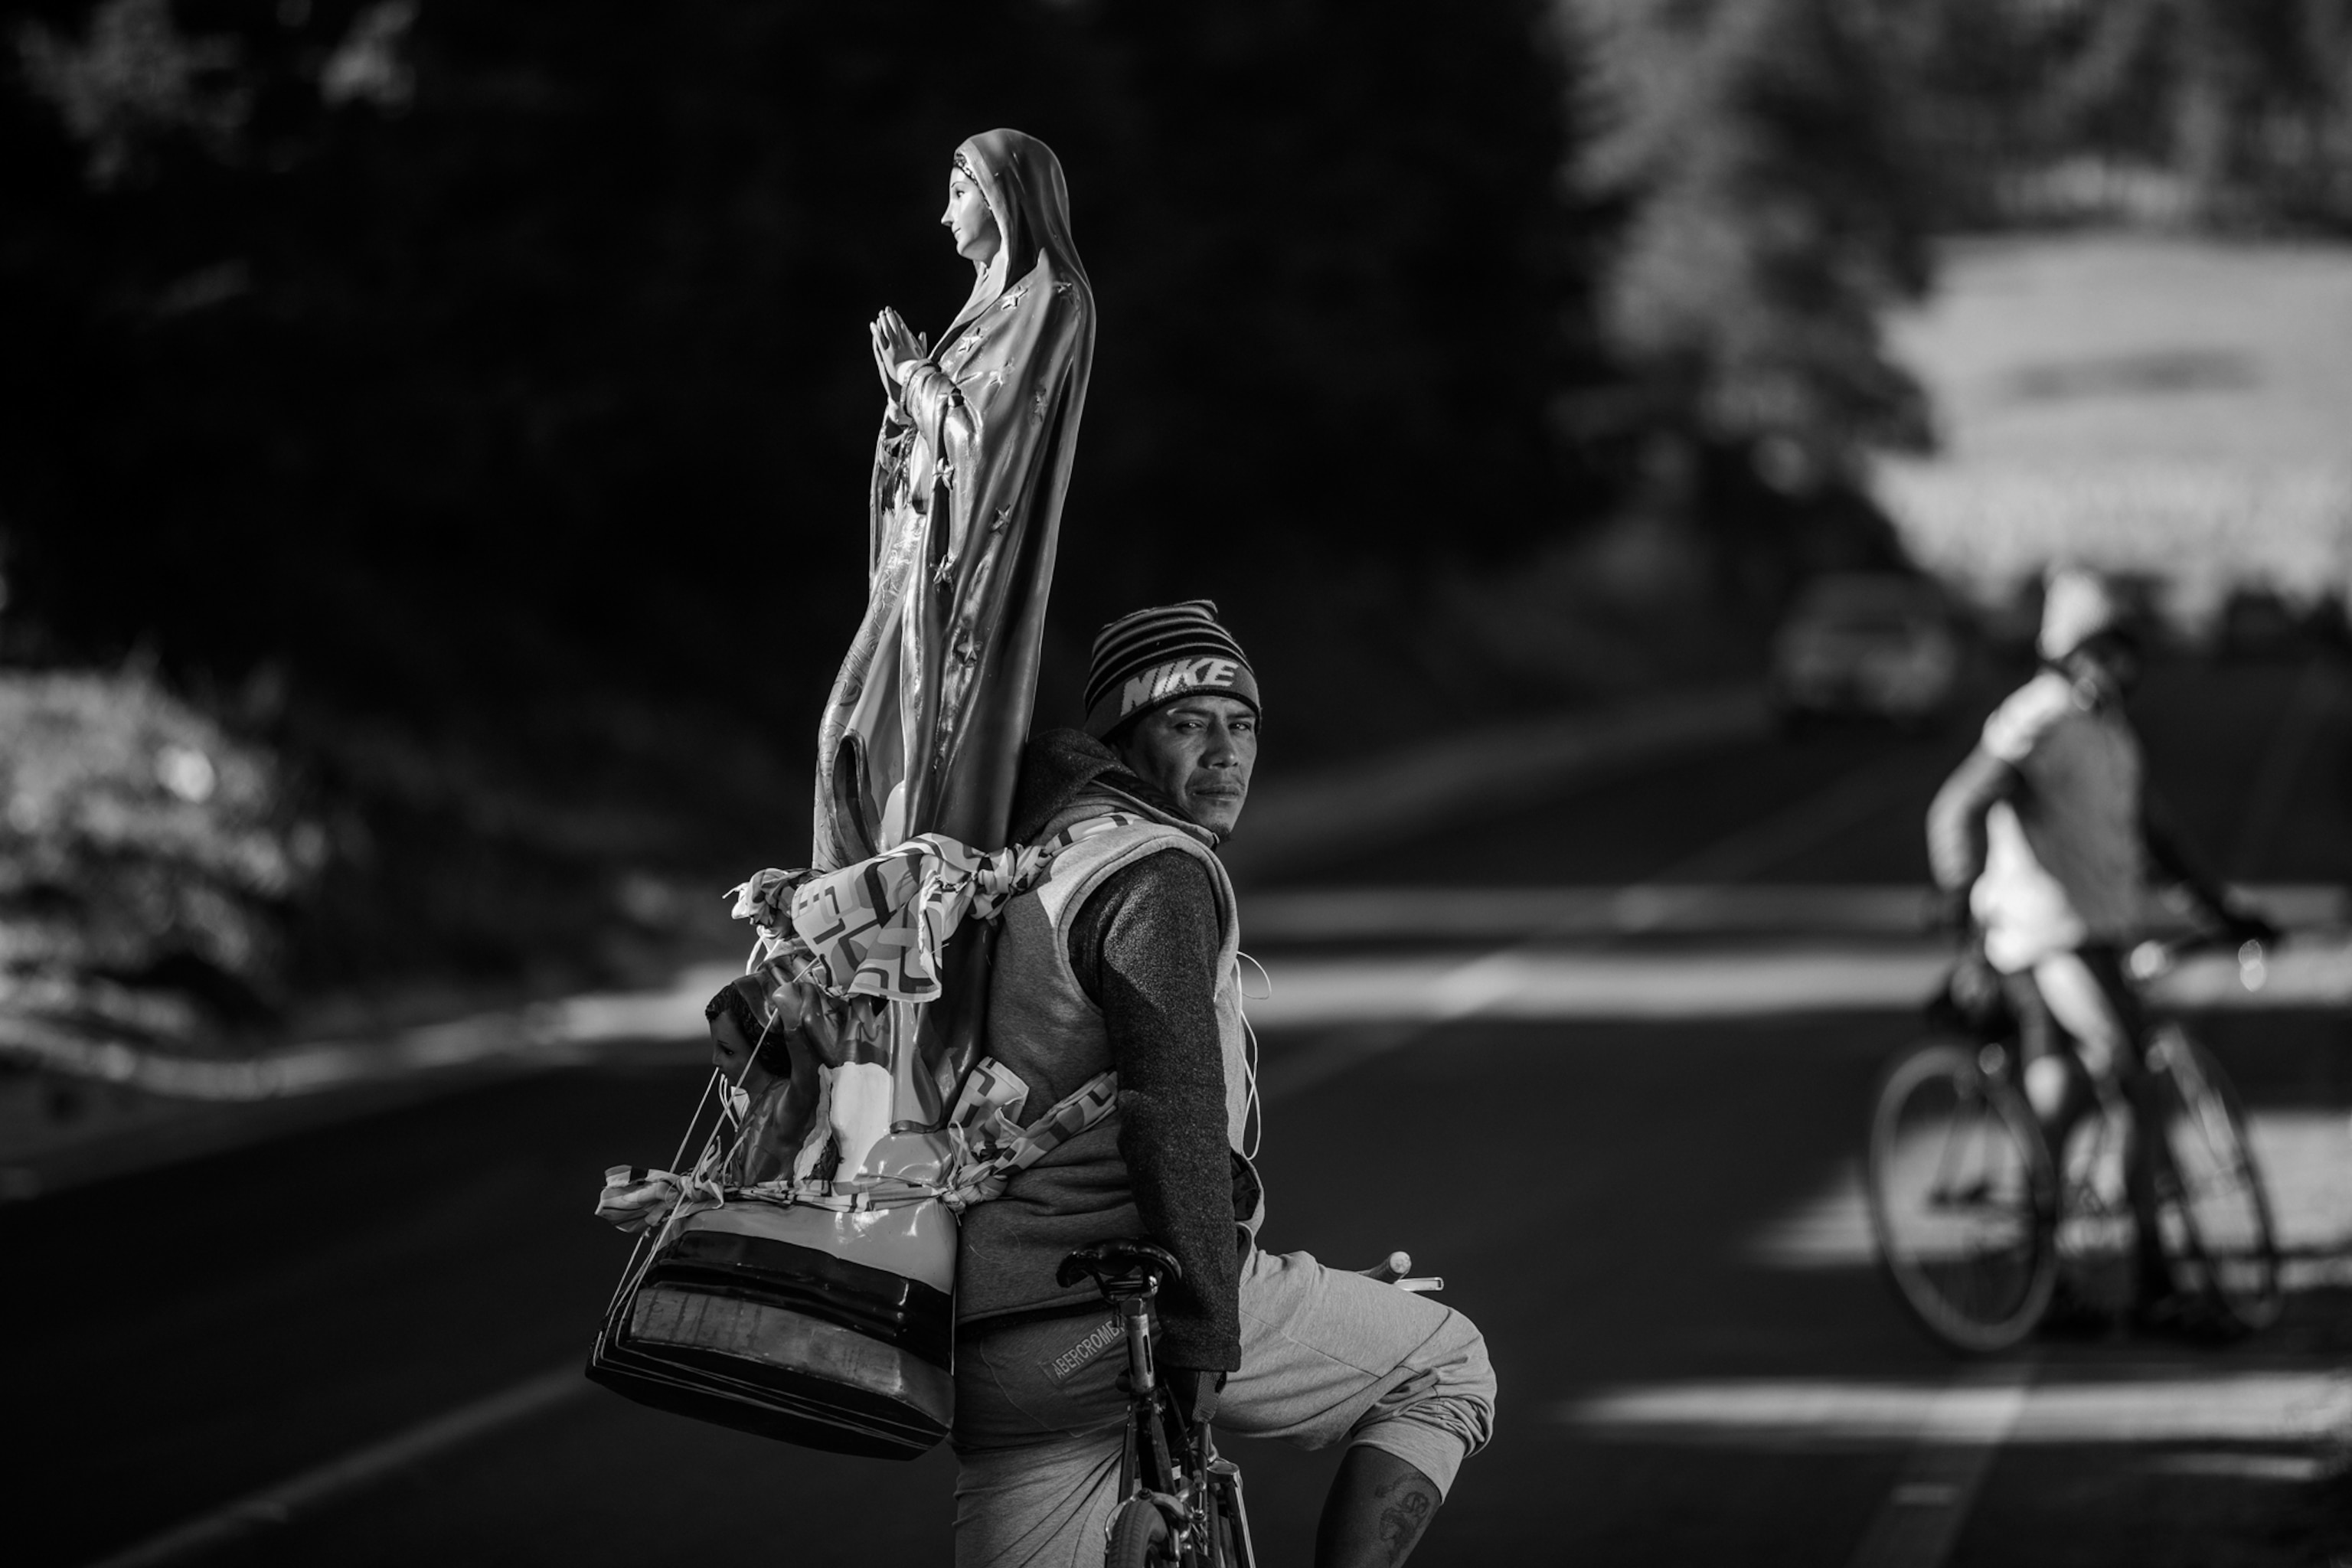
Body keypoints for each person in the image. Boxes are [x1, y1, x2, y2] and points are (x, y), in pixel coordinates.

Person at [952, 600, 1495, 1568]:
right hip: (1128, 1320)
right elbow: (1173, 1118)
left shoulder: (1034, 860)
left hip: (1001, 1343)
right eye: (1188, 722)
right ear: (1122, 736)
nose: (1226, 752)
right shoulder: (1152, 873)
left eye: (1241, 723)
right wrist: (1207, 1325)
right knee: (1444, 1361)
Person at [1926, 567, 2275, 1312]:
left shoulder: (2110, 730)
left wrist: (2223, 909)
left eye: (2127, 649)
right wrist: (1961, 922)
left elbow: (2158, 835)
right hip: (2043, 937)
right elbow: (1955, 809)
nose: (2123, 665)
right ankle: (2149, 1270)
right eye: (2107, 648)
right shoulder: (2038, 718)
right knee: (2133, 1070)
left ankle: (2048, 1270)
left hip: (2100, 932)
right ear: (2073, 650)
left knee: (2065, 1088)